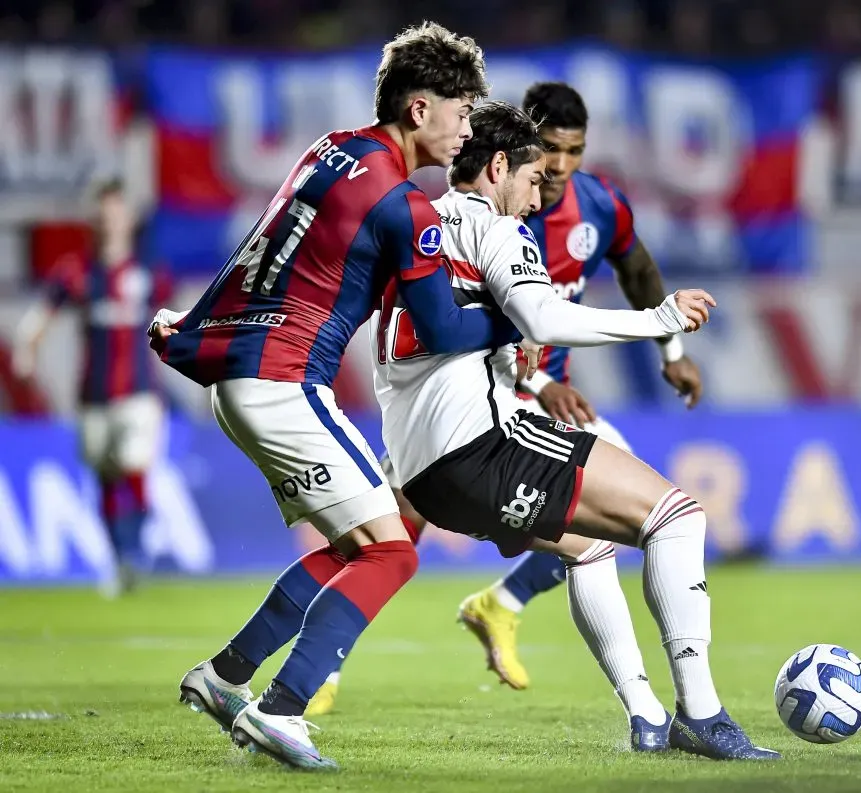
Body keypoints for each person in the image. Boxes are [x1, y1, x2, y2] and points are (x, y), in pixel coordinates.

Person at [148, 22, 517, 770]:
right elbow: (443, 328)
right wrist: (518, 312)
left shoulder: (329, 151)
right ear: (420, 110)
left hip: (240, 376)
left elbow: (271, 246)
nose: (467, 128)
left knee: (357, 543)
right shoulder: (405, 206)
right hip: (284, 381)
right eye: (462, 111)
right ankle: (282, 711)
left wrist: (195, 325)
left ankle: (223, 677)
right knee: (393, 551)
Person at [372, 101, 778, 760]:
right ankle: (702, 714)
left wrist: (508, 357)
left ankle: (646, 715)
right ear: (499, 165)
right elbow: (546, 315)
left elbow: (435, 337)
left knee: (588, 548)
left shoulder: (415, 223)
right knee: (678, 517)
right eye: (532, 179)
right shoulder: (497, 227)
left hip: (421, 473)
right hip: (483, 446)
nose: (536, 198)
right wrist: (659, 320)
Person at [455, 81, 706, 691]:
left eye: (575, 150)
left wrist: (671, 351)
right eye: (548, 151)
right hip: (483, 391)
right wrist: (540, 381)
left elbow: (639, 269)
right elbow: (496, 318)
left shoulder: (599, 206)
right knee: (393, 527)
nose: (561, 167)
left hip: (547, 393)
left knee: (622, 517)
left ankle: (506, 607)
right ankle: (322, 666)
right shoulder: (506, 212)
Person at [14, 178, 169, 596]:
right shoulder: (77, 272)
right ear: (93, 220)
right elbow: (44, 311)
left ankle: (135, 553)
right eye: (103, 214)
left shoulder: (148, 273)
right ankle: (119, 560)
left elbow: (182, 317)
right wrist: (28, 347)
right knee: (104, 475)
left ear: (128, 219)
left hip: (140, 393)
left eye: (116, 213)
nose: (109, 221)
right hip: (93, 394)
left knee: (135, 463)